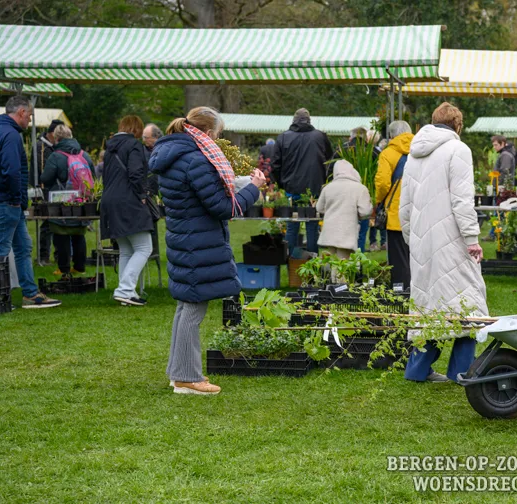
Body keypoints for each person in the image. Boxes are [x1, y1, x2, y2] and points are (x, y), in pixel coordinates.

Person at [150, 106, 265, 395]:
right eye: (219, 134)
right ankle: (189, 378)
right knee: (193, 309)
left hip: (185, 238)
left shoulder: (175, 154)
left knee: (185, 306)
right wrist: (253, 188)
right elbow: (222, 207)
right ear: (209, 133)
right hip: (196, 242)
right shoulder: (195, 159)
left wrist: (239, 184)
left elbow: (204, 192)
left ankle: (179, 374)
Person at [400, 102, 486, 383]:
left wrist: (411, 236)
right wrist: (472, 238)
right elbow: (462, 199)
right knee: (466, 304)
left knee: (427, 304)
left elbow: (406, 203)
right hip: (451, 239)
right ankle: (461, 371)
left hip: (423, 239)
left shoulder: (413, 154)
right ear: (457, 125)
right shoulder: (458, 150)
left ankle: (417, 370)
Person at [0, 96, 60, 308]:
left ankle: (30, 293)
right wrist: (16, 200)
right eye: (30, 116)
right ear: (22, 112)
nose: (30, 121)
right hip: (6, 202)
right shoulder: (10, 135)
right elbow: (12, 171)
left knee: (23, 247)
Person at [101, 115, 155, 306]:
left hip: (109, 199)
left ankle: (127, 293)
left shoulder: (109, 148)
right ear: (137, 130)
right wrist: (142, 194)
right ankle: (124, 289)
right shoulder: (133, 145)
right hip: (128, 199)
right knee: (144, 247)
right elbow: (136, 172)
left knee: (125, 249)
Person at [270, 108, 334, 255]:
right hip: (315, 187)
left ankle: (291, 261)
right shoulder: (320, 136)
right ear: (309, 120)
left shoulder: (283, 137)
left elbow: (275, 165)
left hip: (291, 188)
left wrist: (282, 184)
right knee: (312, 225)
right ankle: (313, 261)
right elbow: (330, 161)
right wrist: (324, 181)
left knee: (292, 225)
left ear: (294, 120)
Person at [39, 124, 95, 278]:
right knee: (79, 234)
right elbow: (93, 176)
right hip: (81, 200)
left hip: (61, 202)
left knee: (60, 233)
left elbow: (45, 178)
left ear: (56, 138)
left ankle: (63, 268)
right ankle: (79, 266)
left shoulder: (56, 156)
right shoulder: (85, 155)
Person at [316, 160, 373, 280]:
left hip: (330, 231)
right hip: (346, 231)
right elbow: (365, 211)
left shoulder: (328, 188)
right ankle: (340, 290)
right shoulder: (359, 188)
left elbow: (319, 208)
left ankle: (333, 288)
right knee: (343, 263)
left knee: (334, 262)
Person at [375, 120, 414, 288]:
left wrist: (377, 201)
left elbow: (383, 184)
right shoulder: (421, 150)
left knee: (398, 259)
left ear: (391, 136)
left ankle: (401, 292)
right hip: (419, 212)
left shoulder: (387, 153)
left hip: (396, 214)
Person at [36, 119, 64, 266]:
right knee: (47, 224)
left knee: (60, 223)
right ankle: (43, 256)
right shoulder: (40, 147)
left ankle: (59, 255)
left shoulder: (55, 146)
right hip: (45, 189)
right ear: (52, 133)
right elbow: (41, 171)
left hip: (58, 190)